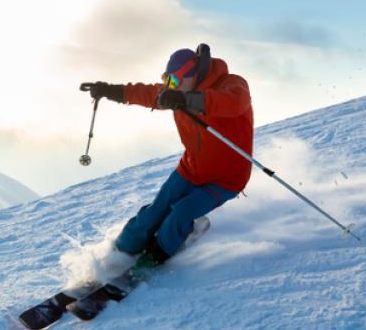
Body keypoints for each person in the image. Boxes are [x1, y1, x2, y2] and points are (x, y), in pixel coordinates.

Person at [84, 44, 254, 267]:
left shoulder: (231, 83)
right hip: (191, 169)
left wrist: (189, 100)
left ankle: (153, 259)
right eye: (167, 80)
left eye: (174, 81)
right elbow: (146, 93)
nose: (169, 87)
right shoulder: (176, 93)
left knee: (180, 214)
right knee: (154, 213)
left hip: (226, 179)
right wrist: (109, 90)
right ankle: (119, 254)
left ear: (192, 75)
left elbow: (234, 102)